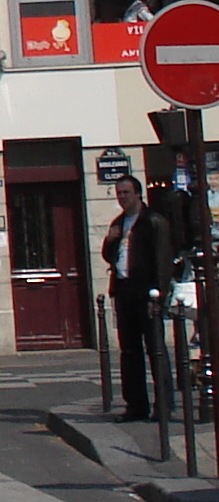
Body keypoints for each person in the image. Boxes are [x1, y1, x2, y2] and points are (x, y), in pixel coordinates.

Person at [103, 175, 169, 422]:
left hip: (147, 292)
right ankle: (136, 405)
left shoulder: (153, 222)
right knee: (129, 351)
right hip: (124, 290)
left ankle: (163, 405)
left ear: (138, 194)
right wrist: (110, 240)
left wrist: (160, 295)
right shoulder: (120, 222)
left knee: (156, 350)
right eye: (119, 193)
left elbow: (162, 261)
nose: (122, 198)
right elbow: (111, 256)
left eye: (126, 193)